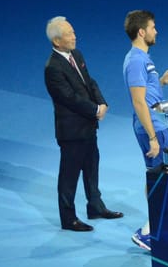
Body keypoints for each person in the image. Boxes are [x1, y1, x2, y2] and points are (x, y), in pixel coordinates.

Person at [44, 16, 123, 232]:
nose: (74, 36)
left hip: (88, 127)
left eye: (73, 31)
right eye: (69, 33)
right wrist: (95, 110)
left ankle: (95, 206)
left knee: (91, 168)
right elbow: (69, 98)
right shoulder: (53, 68)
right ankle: (68, 219)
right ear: (57, 41)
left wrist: (102, 102)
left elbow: (89, 82)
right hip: (71, 132)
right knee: (69, 177)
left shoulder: (76, 55)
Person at [122, 10, 168, 250]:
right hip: (152, 127)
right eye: (153, 28)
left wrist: (160, 82)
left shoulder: (142, 58)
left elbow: (146, 92)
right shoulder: (136, 60)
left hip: (156, 124)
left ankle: (158, 225)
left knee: (160, 176)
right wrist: (153, 137)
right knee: (159, 179)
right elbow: (138, 101)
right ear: (142, 32)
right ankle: (148, 231)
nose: (157, 31)